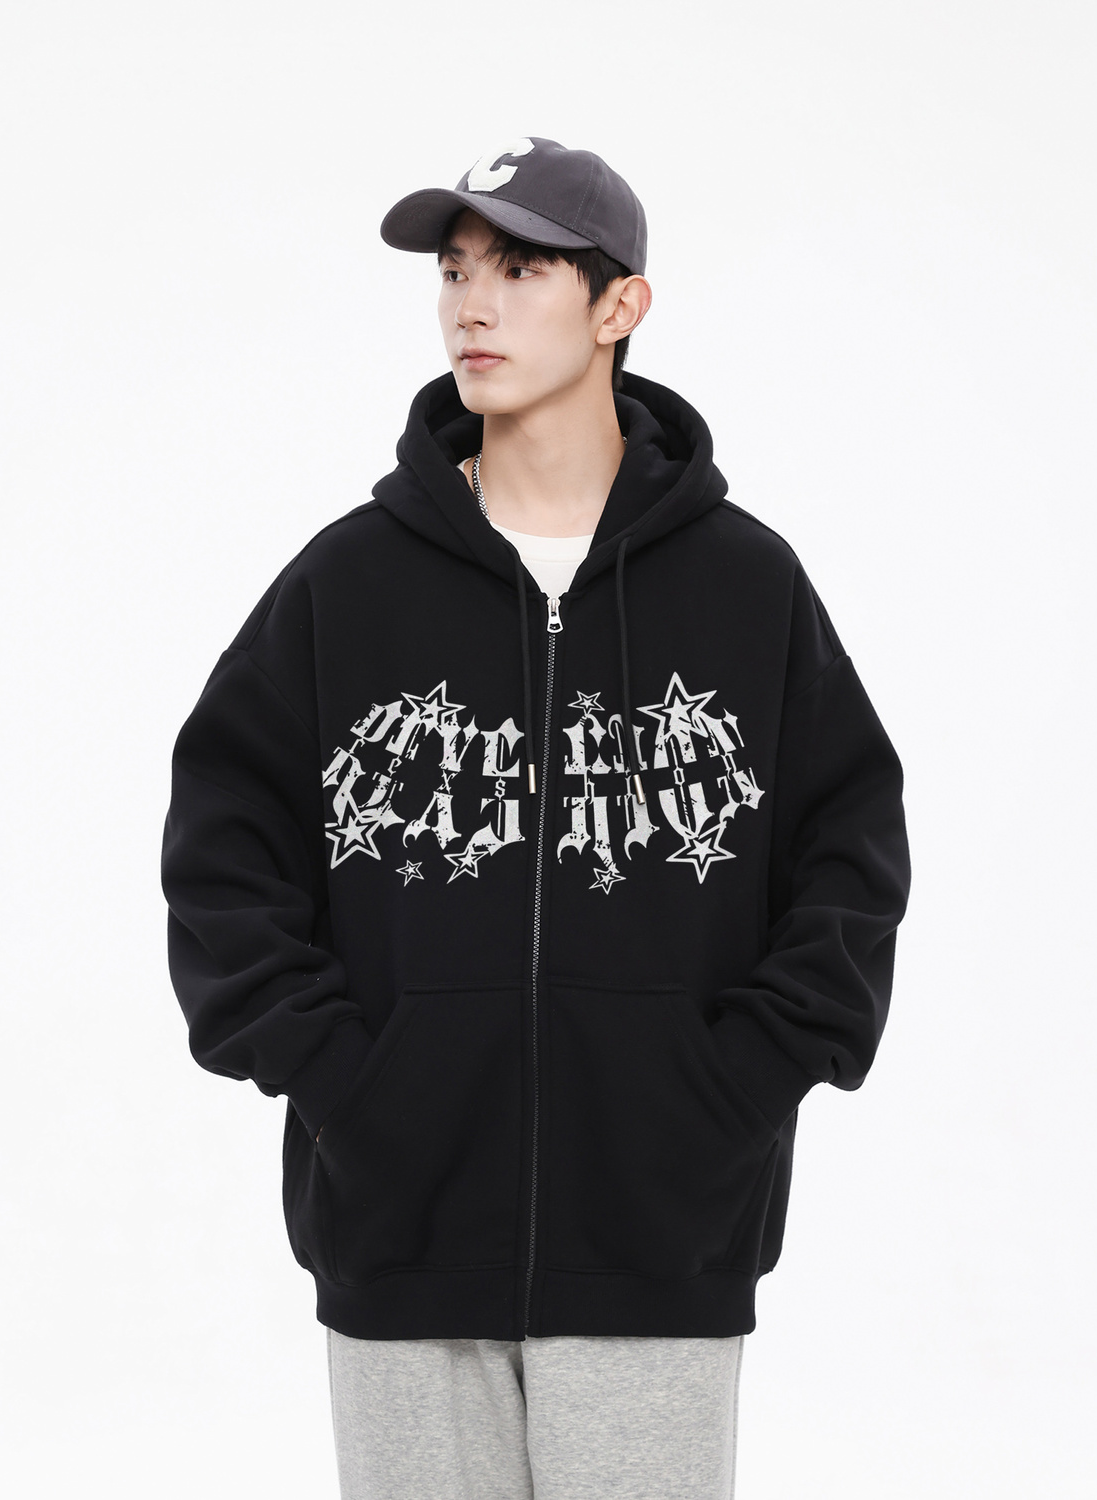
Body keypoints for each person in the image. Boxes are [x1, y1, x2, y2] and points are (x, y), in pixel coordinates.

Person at [161, 136, 912, 1499]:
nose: (472, 305)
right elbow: (224, 845)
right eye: (454, 271)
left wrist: (727, 1095)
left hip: (659, 1242)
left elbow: (850, 859)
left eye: (520, 270)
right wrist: (350, 1087)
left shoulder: (746, 588)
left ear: (622, 304)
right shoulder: (350, 585)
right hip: (401, 1240)